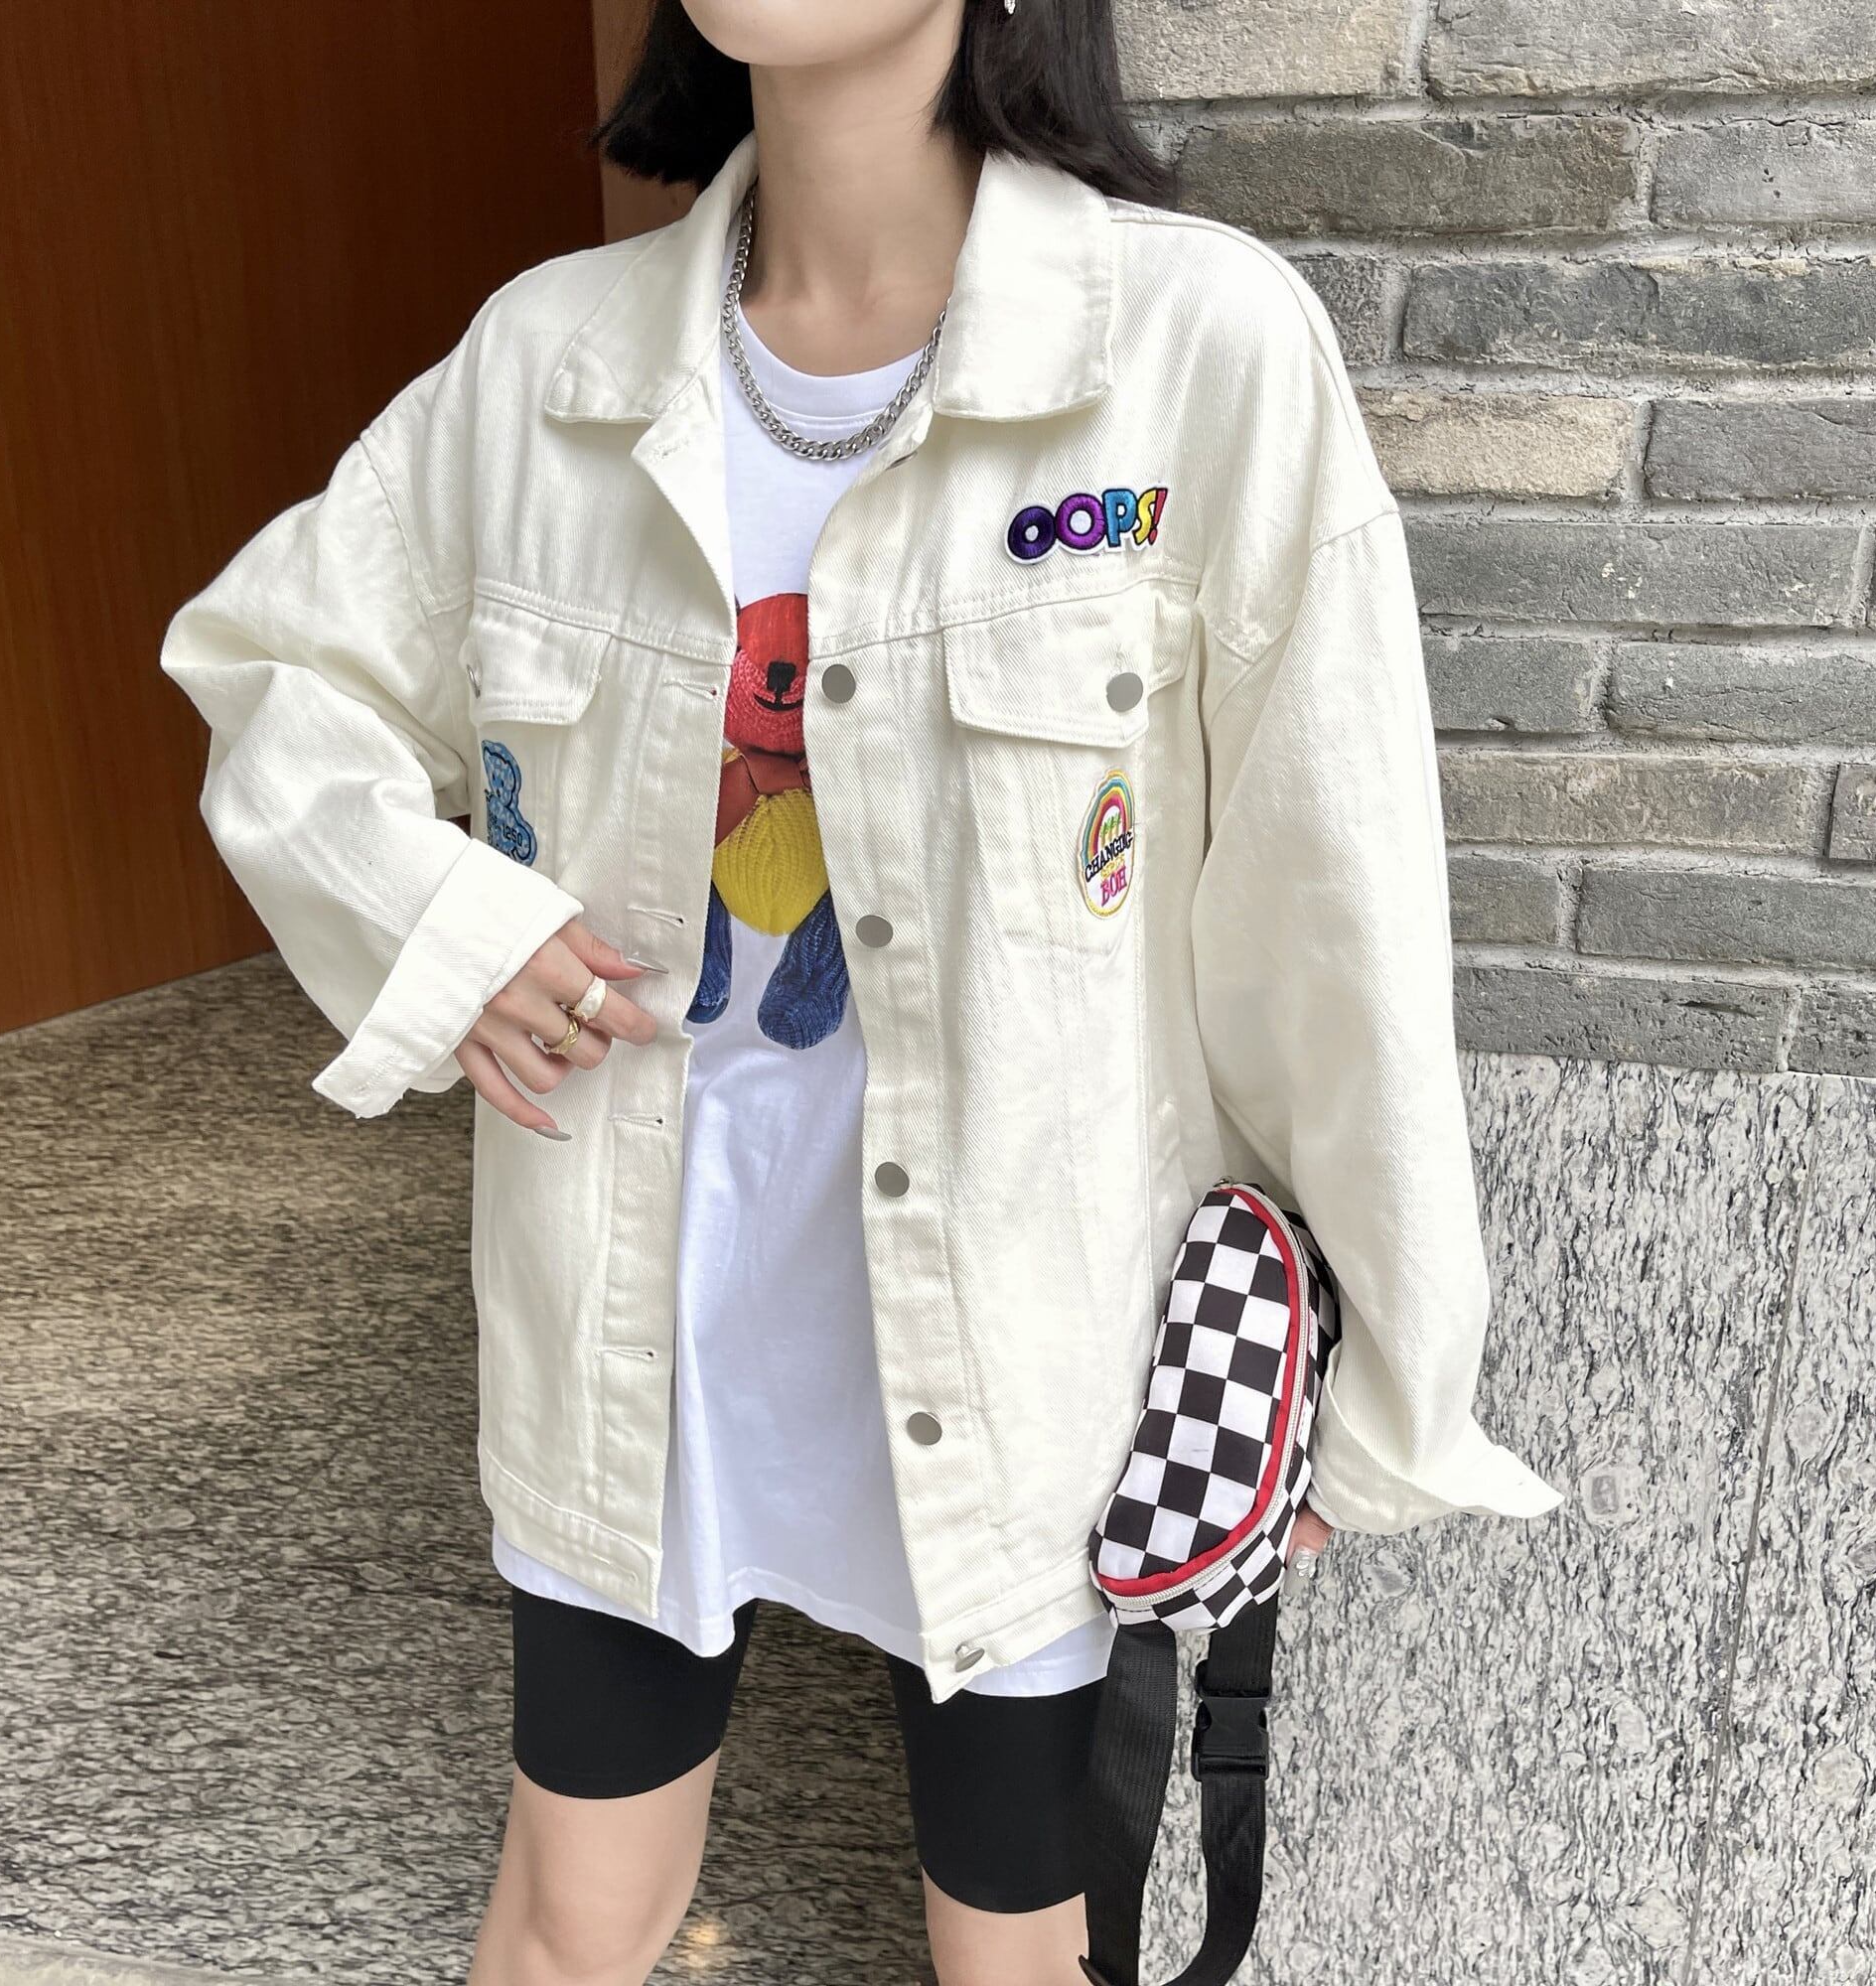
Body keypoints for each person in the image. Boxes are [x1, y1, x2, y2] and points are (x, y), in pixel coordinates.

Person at [159, 1, 1565, 1980]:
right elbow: (276, 671)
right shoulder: (544, 365)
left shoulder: (1194, 348)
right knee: (570, 1917)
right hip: (625, 1333)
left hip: (1028, 1362)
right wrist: (441, 926)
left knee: (1017, 1949)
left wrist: (1386, 1391)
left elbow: (1332, 902)